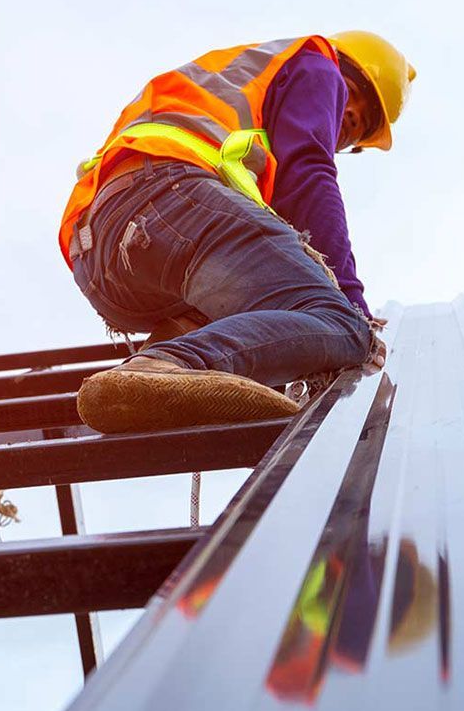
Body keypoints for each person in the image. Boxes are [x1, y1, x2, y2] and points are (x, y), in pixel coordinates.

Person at [60, 31, 415, 433]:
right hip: (168, 201)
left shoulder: (240, 104)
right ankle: (173, 363)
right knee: (341, 325)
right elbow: (309, 173)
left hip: (102, 262)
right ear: (344, 73)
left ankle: (153, 366)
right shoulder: (319, 64)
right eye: (351, 104)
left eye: (358, 130)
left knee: (271, 317)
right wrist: (352, 305)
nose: (345, 123)